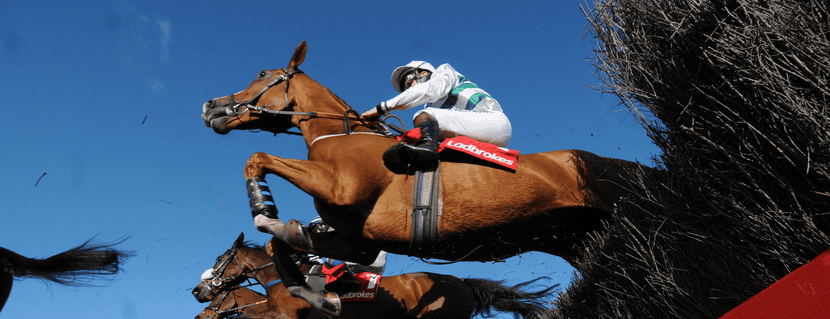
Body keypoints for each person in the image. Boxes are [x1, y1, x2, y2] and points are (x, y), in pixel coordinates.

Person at [361, 61, 512, 174]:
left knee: (422, 116)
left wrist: (381, 109)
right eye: (405, 88)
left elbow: (427, 91)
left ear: (424, 73)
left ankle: (427, 151)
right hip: (476, 134)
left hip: (493, 122)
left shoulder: (443, 71)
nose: (409, 89)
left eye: (409, 82)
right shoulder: (432, 108)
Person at [307, 217, 387, 294]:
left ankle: (343, 277)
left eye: (314, 230)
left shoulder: (336, 227)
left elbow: (330, 260)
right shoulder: (359, 223)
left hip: (360, 263)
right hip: (374, 262)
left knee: (330, 263)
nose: (316, 233)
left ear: (322, 226)